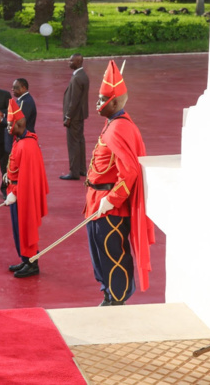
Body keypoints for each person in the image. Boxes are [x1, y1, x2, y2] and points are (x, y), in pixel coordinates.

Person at [85, 60, 155, 306]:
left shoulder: (117, 129)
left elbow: (130, 172)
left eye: (102, 98)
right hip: (97, 203)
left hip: (110, 206)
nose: (97, 103)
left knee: (113, 254)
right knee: (100, 255)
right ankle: (108, 291)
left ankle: (116, 298)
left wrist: (111, 200)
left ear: (114, 102)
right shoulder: (112, 124)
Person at [3, 99, 49, 278]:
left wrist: (14, 193)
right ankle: (25, 259)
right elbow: (16, 167)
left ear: (19, 124)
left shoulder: (26, 145)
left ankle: (32, 263)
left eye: (9, 124)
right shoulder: (19, 140)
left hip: (23, 195)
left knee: (26, 228)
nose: (7, 127)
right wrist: (8, 176)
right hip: (16, 192)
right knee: (19, 228)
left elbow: (27, 177)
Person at [61, 53, 90, 180]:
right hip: (80, 115)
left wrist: (68, 117)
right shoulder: (83, 75)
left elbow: (74, 100)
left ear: (78, 62)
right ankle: (82, 169)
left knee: (73, 143)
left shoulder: (77, 78)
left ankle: (74, 172)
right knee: (79, 142)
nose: (69, 62)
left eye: (71, 61)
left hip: (74, 116)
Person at [4, 78, 37, 153]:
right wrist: (2, 115)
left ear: (24, 88)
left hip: (23, 139)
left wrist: (1, 119)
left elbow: (19, 123)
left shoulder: (24, 102)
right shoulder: (22, 100)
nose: (12, 89)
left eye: (15, 87)